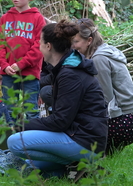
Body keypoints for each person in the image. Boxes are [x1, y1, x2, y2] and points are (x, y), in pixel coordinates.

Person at [7, 20, 108, 180]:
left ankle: (82, 164)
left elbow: (60, 121)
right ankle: (69, 170)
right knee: (32, 167)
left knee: (15, 142)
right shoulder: (64, 67)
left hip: (86, 142)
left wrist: (22, 126)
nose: (37, 45)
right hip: (76, 135)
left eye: (39, 42)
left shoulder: (70, 74)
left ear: (48, 46)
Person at [72, 18, 133, 155]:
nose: (72, 46)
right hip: (131, 118)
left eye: (76, 42)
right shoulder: (101, 52)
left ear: (89, 40)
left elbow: (104, 99)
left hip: (124, 121)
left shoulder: (99, 59)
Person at [0, 0, 46, 120]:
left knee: (31, 110)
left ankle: (33, 141)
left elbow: (39, 46)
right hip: (8, 73)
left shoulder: (37, 18)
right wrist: (4, 65)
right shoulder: (5, 18)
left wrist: (21, 64)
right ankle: (12, 141)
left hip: (29, 72)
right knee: (9, 111)